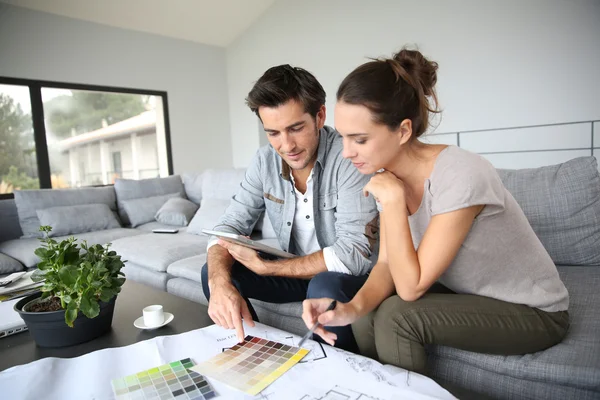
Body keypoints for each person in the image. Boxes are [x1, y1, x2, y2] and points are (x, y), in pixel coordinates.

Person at [302, 48, 570, 374]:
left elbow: (411, 287)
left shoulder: (460, 173)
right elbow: (387, 264)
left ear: (402, 131)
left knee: (396, 316)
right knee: (369, 312)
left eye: (359, 139)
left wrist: (395, 202)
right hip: (472, 294)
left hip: (533, 311)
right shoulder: (385, 177)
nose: (346, 153)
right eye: (343, 137)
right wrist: (350, 309)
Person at [201, 64, 378, 352]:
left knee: (325, 287)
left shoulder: (349, 158)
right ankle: (256, 353)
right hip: (296, 273)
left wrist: (270, 269)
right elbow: (228, 226)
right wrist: (219, 281)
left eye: (296, 128)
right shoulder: (264, 161)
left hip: (347, 278)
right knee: (216, 273)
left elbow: (354, 256)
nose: (286, 145)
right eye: (273, 133)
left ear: (319, 116)